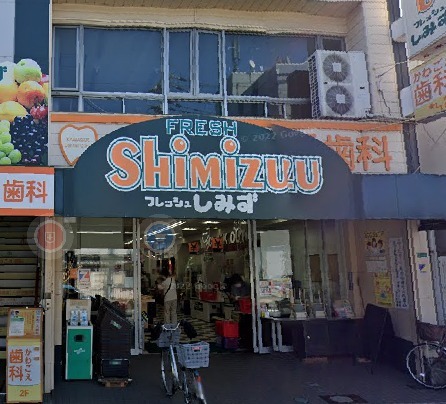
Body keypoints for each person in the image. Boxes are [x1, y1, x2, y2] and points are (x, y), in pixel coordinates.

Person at [157, 257, 177, 324]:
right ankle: (174, 325)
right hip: (174, 298)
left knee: (167, 312)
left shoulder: (165, 281)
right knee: (174, 312)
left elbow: (159, 287)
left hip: (167, 299)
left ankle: (167, 325)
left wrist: (159, 281)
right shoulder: (173, 280)